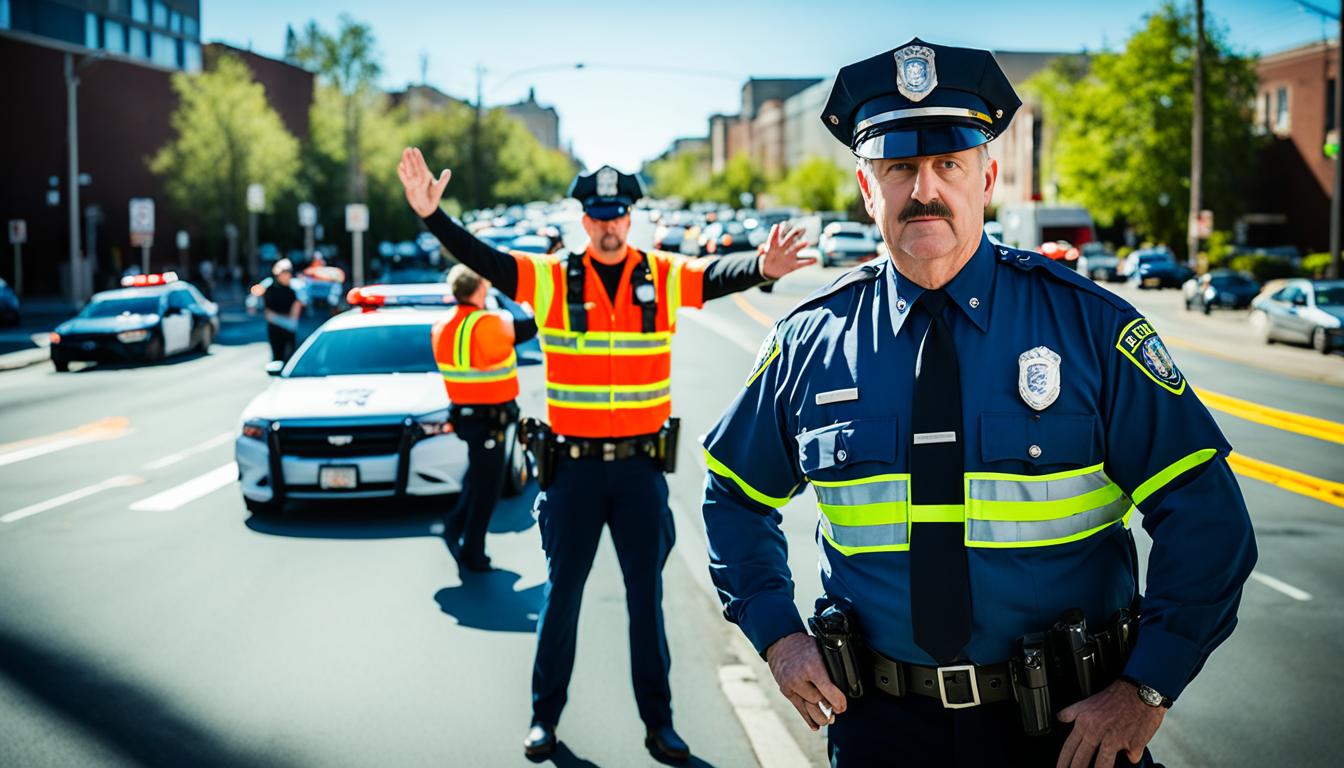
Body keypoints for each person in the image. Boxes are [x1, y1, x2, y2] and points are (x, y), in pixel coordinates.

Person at [699, 39, 1257, 768]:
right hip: (880, 733)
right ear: (868, 191)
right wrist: (778, 634)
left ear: (987, 177)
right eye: (898, 167)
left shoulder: (1091, 328)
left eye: (949, 165)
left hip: (1067, 733)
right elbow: (733, 498)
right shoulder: (811, 343)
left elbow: (1208, 518)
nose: (923, 188)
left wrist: (1147, 688)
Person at [397, 150, 814, 762]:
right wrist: (434, 218)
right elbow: (485, 261)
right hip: (573, 474)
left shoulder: (662, 274)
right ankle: (544, 720)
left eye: (618, 214)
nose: (609, 225)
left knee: (646, 602)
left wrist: (762, 264)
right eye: (598, 216)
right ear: (584, 221)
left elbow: (713, 274)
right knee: (560, 598)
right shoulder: (550, 278)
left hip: (641, 474)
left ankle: (660, 726)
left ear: (630, 218)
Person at [431, 264, 537, 572]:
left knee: (477, 476)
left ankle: (455, 526)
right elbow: (529, 328)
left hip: (464, 416)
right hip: (490, 418)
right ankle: (473, 550)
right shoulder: (490, 323)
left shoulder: (441, 325)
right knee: (487, 487)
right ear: (479, 289)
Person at [263, 258, 303, 363]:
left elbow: (298, 307)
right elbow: (267, 311)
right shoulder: (270, 288)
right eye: (284, 272)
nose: (287, 275)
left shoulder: (294, 288)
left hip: (289, 326)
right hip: (275, 327)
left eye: (288, 272)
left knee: (291, 357)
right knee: (277, 356)